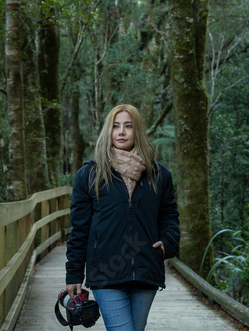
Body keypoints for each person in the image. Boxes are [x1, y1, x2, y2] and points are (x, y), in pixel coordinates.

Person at [65, 104, 180, 331]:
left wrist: (168, 244)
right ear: (108, 131)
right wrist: (74, 274)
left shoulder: (159, 175)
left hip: (146, 268)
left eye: (128, 126)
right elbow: (79, 228)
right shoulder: (89, 175)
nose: (121, 132)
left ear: (137, 131)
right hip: (105, 272)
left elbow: (169, 215)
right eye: (115, 126)